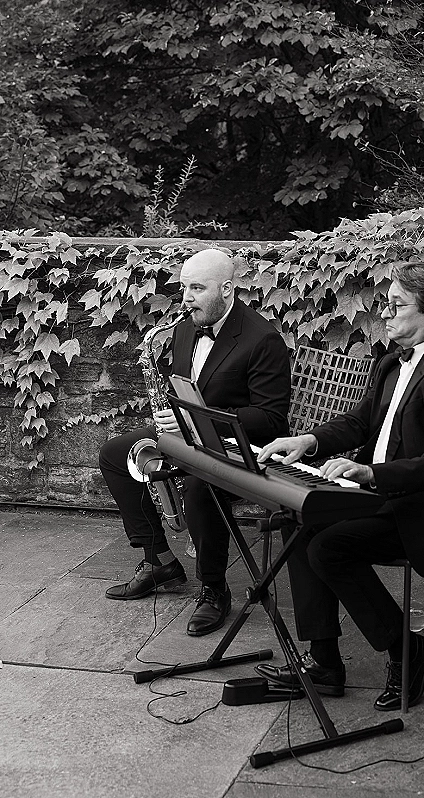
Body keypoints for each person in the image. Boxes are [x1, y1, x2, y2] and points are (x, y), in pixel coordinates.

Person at [255, 262, 424, 712]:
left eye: (396, 306)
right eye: (385, 305)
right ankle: (325, 664)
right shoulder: (393, 363)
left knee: (329, 547)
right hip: (382, 495)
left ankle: (407, 650)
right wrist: (308, 440)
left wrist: (371, 474)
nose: (385, 315)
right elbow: (361, 421)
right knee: (300, 523)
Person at [99, 249, 291, 636]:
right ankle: (160, 561)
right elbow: (184, 390)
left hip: (242, 449)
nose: (186, 297)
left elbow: (271, 420)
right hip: (189, 436)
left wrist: (199, 420)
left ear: (227, 288)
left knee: (201, 485)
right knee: (115, 455)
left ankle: (213, 588)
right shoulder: (187, 326)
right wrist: (172, 415)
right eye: (184, 286)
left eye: (197, 288)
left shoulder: (263, 339)